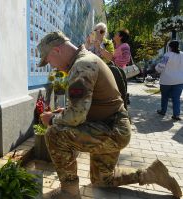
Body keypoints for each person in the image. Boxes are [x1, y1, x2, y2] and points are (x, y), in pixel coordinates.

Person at [37, 31, 181, 199]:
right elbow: (88, 105)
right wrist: (65, 113)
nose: (51, 65)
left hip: (111, 130)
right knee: (102, 180)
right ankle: (151, 174)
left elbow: (76, 117)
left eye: (48, 60)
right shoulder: (87, 58)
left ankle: (69, 192)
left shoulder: (82, 65)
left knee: (55, 133)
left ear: (56, 50)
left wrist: (53, 119)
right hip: (114, 127)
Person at [156, 40, 183, 121]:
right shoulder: (182, 55)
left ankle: (163, 111)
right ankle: (176, 115)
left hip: (166, 80)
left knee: (164, 96)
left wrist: (156, 68)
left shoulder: (167, 55)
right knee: (176, 98)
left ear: (170, 47)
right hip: (179, 80)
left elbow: (160, 67)